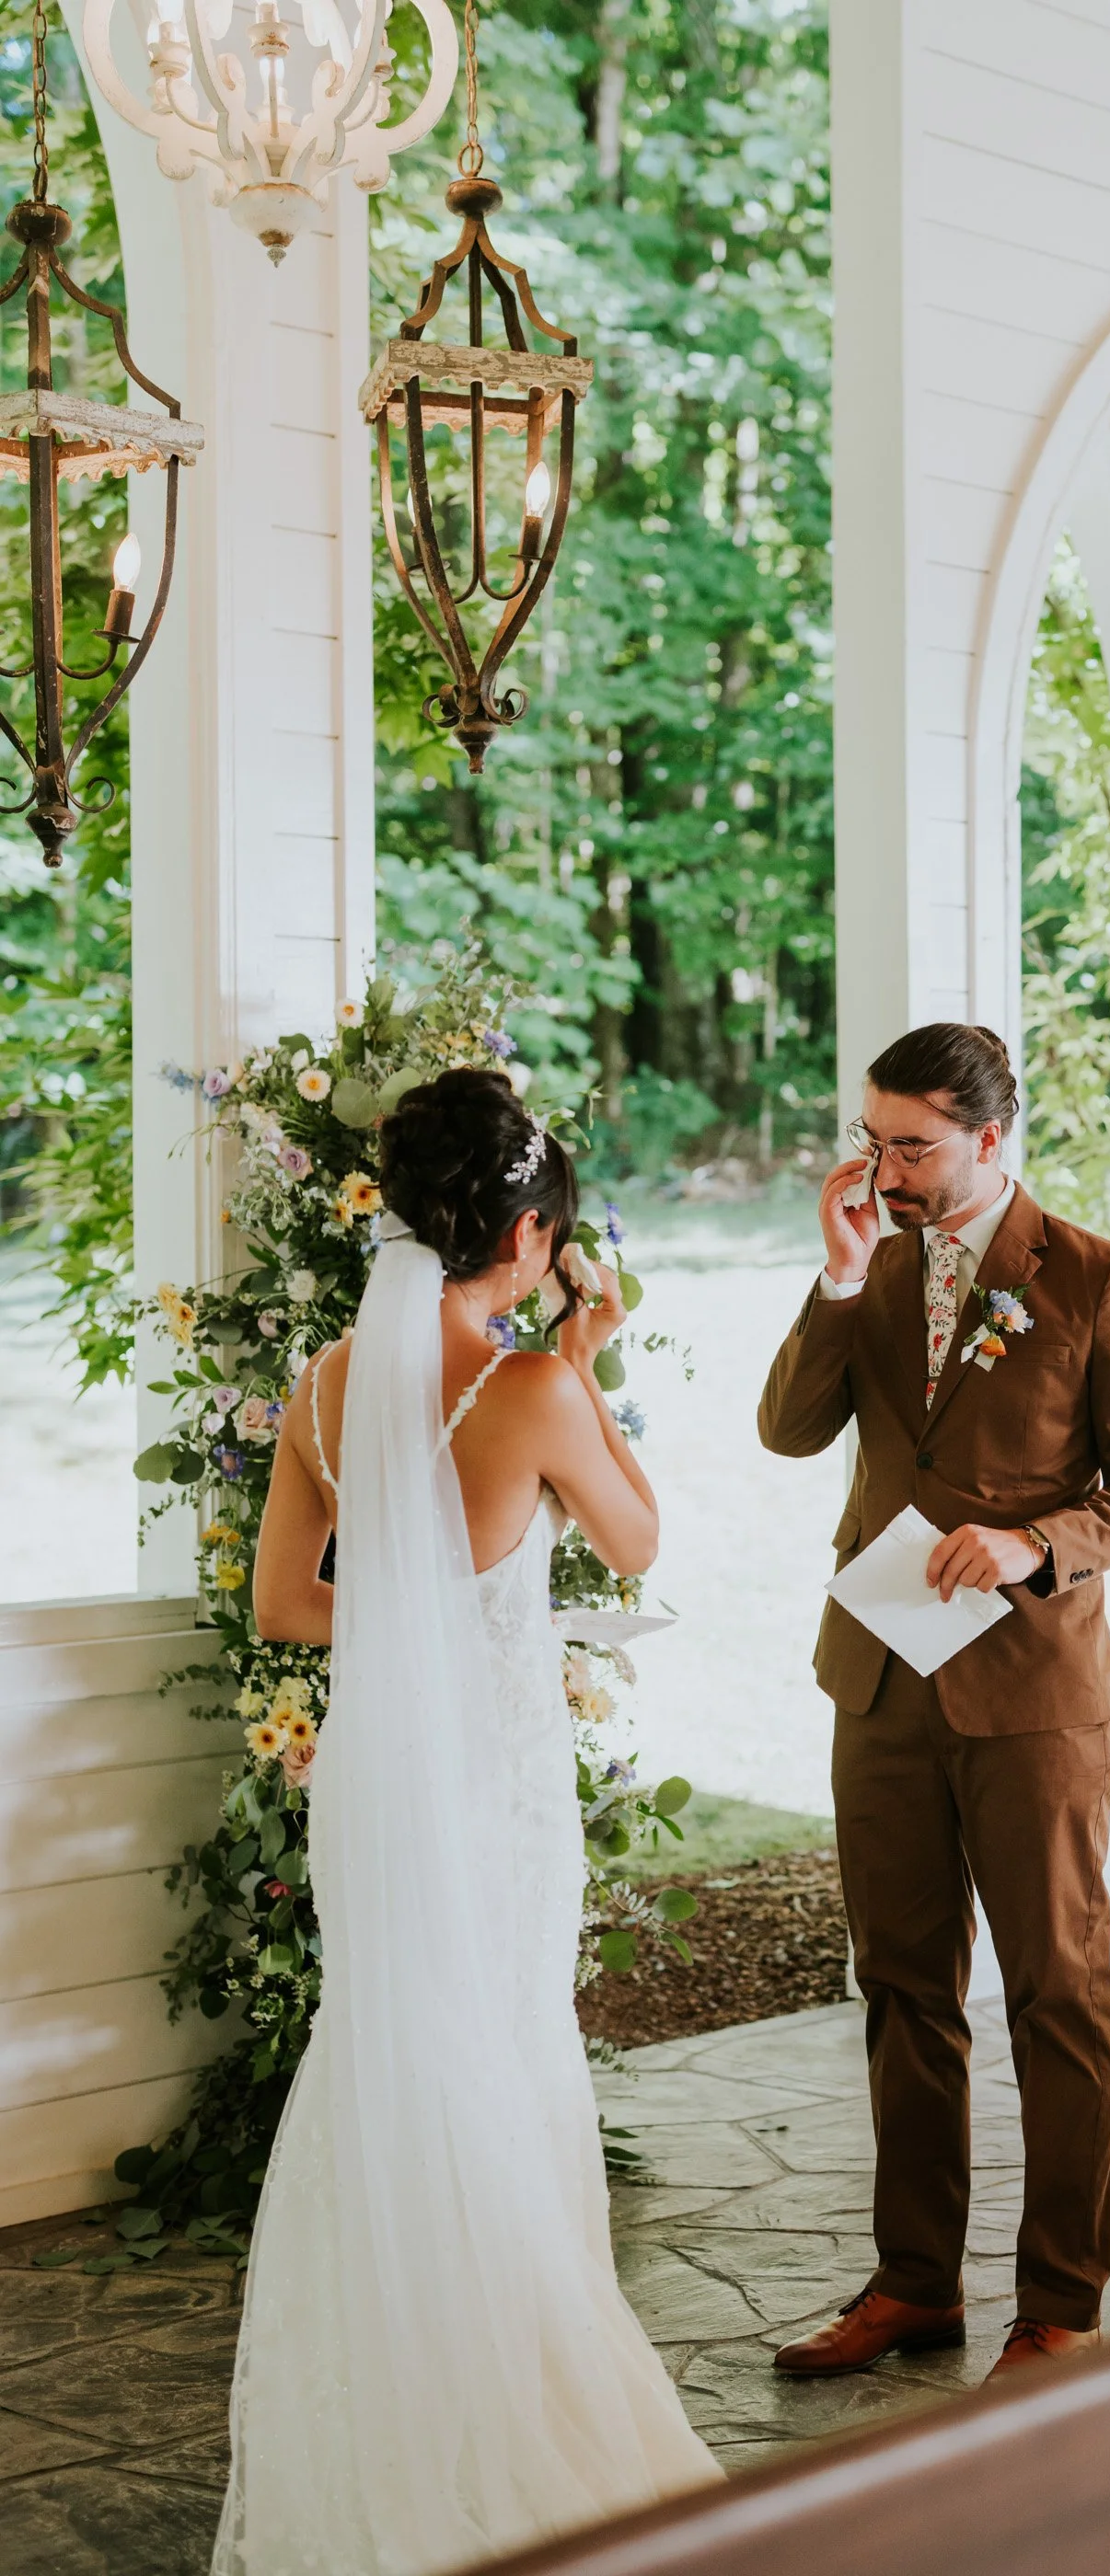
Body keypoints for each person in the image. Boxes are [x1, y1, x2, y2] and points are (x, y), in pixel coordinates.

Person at [214, 1067, 716, 2576]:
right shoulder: (536, 1389)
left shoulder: (321, 1385)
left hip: (375, 1778)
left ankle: (388, 2414)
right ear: (528, 1234)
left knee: (391, 2054)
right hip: (493, 1785)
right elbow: (637, 1537)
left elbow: (287, 1603)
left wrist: (411, 1625)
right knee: (500, 2053)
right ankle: (511, 2402)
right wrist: (588, 1363)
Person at [759, 1023, 1110, 2381]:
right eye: (871, 1140)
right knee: (897, 1988)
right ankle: (911, 2285)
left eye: (912, 1147)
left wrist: (1031, 1547)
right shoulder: (868, 1261)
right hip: (879, 1679)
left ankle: (1060, 2303)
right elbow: (787, 1431)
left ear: (990, 1141)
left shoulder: (1098, 1280)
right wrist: (835, 1281)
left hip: (1035, 1699)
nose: (882, 1168)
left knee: (1055, 1992)